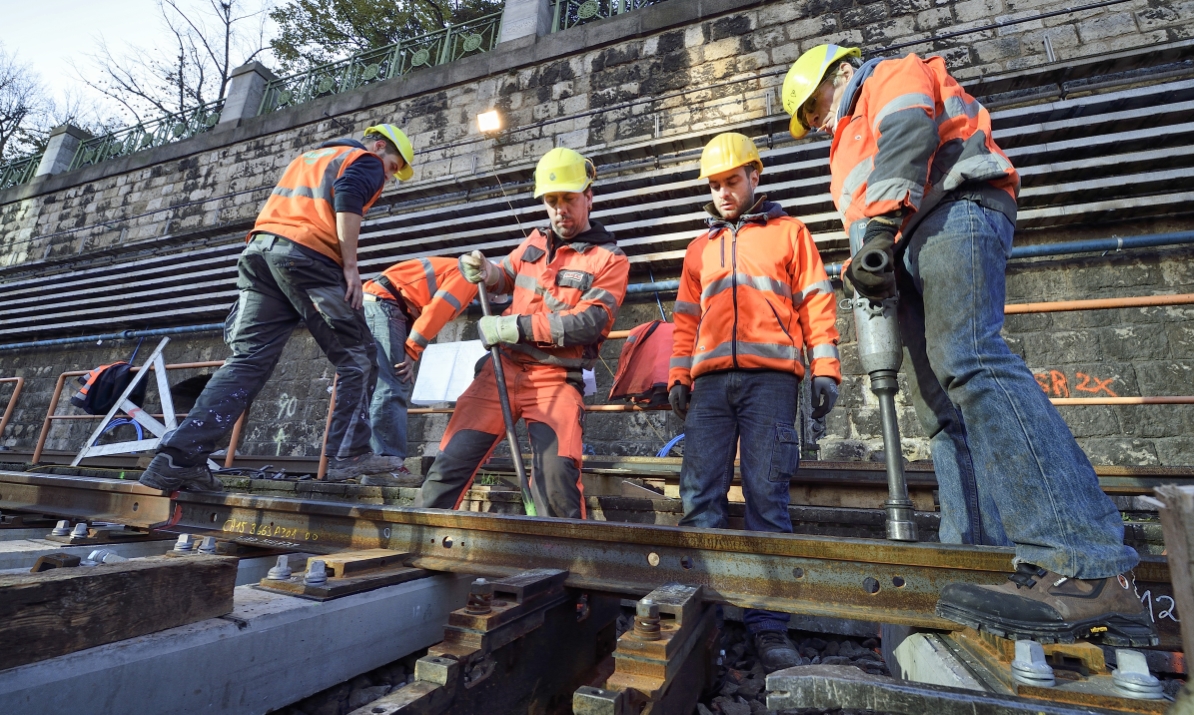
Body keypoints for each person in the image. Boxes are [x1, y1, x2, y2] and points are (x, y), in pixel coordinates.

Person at [783, 45, 1156, 647]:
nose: (817, 120)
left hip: (955, 209)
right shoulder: (845, 138)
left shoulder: (889, 74)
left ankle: (1085, 564)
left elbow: (910, 130)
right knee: (939, 409)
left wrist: (878, 231)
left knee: (971, 360)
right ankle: (979, 556)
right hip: (907, 240)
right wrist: (875, 254)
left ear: (841, 75)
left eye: (816, 105)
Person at [139, 124, 417, 490]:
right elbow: (348, 197)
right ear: (380, 145)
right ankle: (349, 453)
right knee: (360, 356)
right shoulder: (363, 160)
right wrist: (350, 266)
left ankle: (177, 459)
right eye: (394, 165)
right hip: (309, 257)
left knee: (248, 360)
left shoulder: (308, 159)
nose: (390, 174)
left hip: (260, 256)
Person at [668, 132, 842, 672]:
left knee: (768, 500)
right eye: (715, 184)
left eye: (732, 180)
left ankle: (769, 628)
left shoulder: (790, 233)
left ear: (755, 177)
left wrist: (826, 367)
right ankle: (704, 618)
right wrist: (678, 373)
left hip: (772, 383)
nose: (723, 192)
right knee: (701, 500)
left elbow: (816, 300)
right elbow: (686, 320)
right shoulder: (700, 249)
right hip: (713, 387)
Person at [416, 147, 629, 518]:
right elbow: (506, 277)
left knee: (556, 480)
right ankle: (415, 542)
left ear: (589, 197)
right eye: (551, 200)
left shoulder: (609, 259)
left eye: (568, 198)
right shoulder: (533, 243)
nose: (560, 208)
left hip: (556, 378)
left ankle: (559, 562)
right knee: (448, 465)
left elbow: (589, 323)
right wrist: (486, 271)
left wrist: (515, 326)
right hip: (501, 372)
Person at [359, 256, 478, 484]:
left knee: (382, 385)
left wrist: (410, 349)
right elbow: (437, 312)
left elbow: (421, 311)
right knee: (392, 385)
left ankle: (372, 464)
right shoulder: (469, 276)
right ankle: (385, 466)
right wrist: (412, 351)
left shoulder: (458, 273)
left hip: (381, 302)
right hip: (385, 303)